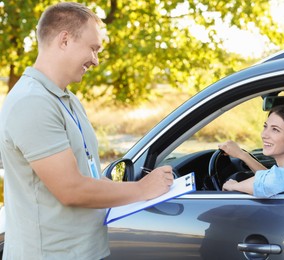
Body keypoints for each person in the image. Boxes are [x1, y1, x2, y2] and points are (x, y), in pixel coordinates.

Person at [0, 2, 173, 259]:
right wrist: (142, 189)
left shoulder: (66, 99)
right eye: (93, 48)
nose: (96, 60)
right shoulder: (32, 102)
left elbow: (87, 174)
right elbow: (71, 189)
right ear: (65, 40)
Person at [219, 104, 284, 197]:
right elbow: (269, 176)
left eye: (275, 129)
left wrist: (234, 186)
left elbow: (273, 182)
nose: (264, 135)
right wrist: (243, 155)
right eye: (265, 126)